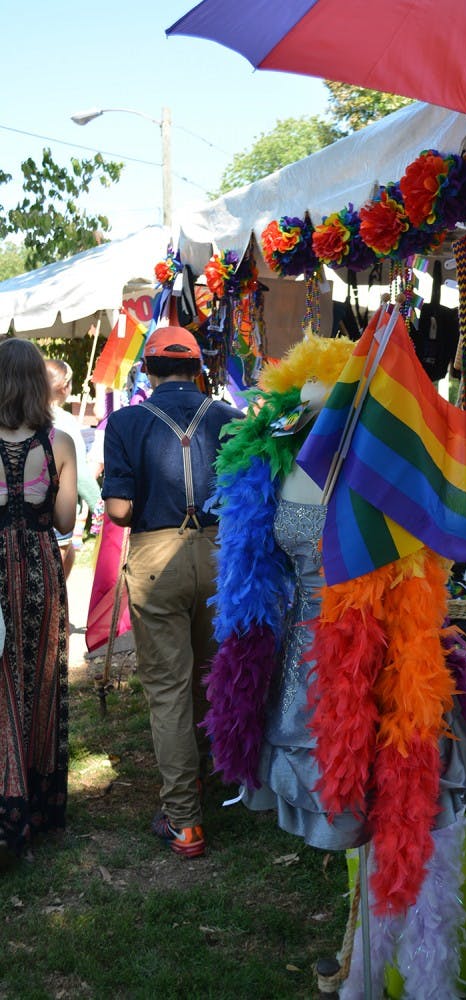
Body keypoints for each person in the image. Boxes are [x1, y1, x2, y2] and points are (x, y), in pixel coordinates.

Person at [101, 326, 241, 859]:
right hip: (222, 556)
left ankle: (184, 820)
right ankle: (205, 776)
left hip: (158, 558)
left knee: (168, 688)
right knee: (209, 676)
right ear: (197, 367)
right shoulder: (230, 418)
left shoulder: (126, 421)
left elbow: (118, 511)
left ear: (149, 369)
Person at [0, 340, 77, 864]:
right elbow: (68, 523)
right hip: (41, 568)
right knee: (40, 677)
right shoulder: (60, 443)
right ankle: (37, 802)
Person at [44, 359, 103, 578]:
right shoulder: (65, 421)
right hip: (57, 514)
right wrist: (100, 506)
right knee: (54, 585)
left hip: (22, 516)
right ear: (64, 386)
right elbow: (79, 474)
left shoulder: (18, 417)